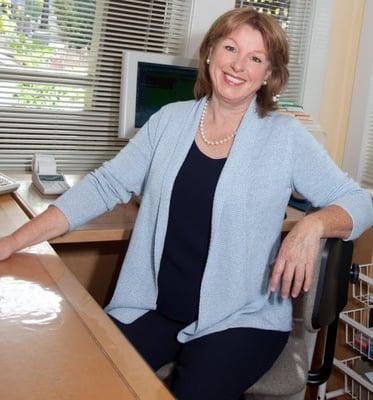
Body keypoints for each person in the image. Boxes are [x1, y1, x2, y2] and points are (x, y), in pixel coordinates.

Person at [1, 8, 372, 400]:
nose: (238, 65)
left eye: (256, 58)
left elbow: (359, 202)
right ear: (210, 52)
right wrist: (13, 241)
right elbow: (105, 184)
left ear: (268, 76)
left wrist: (311, 226)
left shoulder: (284, 137)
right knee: (89, 380)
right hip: (155, 305)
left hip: (241, 318)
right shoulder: (168, 121)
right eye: (230, 48)